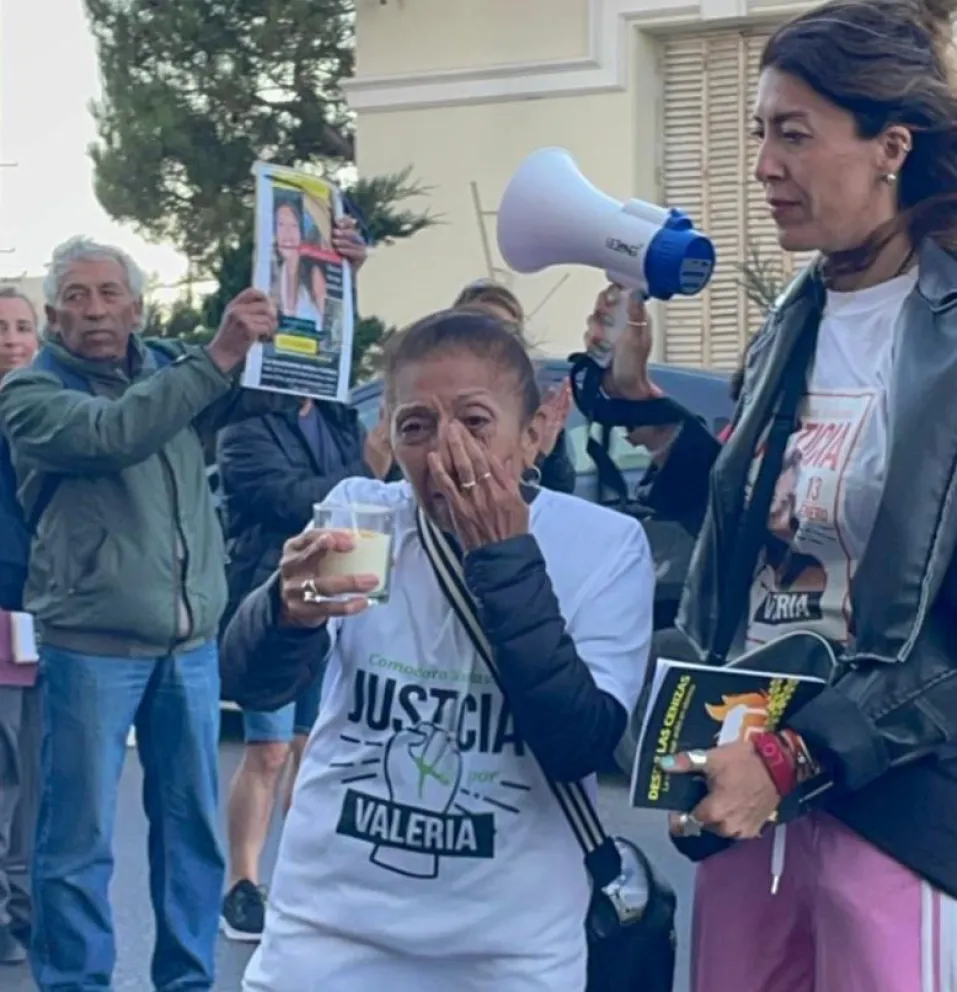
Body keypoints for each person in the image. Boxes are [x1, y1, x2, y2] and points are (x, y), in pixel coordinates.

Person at [598, 1, 957, 988]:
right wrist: (644, 409)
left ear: (891, 147)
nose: (762, 165)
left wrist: (803, 756)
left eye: (793, 134)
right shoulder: (794, 317)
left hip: (898, 810)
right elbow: (771, 529)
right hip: (745, 791)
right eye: (759, 133)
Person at [219, 308, 654, 990]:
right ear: (388, 435)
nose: (445, 450)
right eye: (416, 426)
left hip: (509, 953)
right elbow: (257, 684)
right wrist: (282, 612)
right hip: (328, 933)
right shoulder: (364, 516)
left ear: (533, 434)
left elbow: (581, 744)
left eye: (474, 422)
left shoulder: (602, 545)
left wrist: (502, 554)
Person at [0, 236, 282, 992]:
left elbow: (275, 382)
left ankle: (188, 982)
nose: (94, 310)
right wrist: (216, 354)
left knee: (192, 837)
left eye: (108, 293)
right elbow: (114, 433)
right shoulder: (27, 393)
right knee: (78, 840)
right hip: (88, 646)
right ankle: (77, 984)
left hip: (190, 646)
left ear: (136, 306)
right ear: (55, 316)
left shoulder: (173, 368)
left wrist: (320, 281)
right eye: (76, 297)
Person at [217, 225, 393, 943]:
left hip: (335, 602)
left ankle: (301, 880)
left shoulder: (335, 413)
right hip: (273, 605)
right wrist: (368, 470)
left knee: (314, 752)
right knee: (265, 752)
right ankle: (242, 884)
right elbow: (294, 500)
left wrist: (347, 277)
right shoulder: (243, 427)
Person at [0, 288, 40, 966]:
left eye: (23, 327)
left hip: (56, 614)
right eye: (0, 328)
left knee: (40, 767)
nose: (11, 339)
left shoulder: (57, 412)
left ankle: (26, 905)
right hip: (3, 610)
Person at [452, 280, 576, 493]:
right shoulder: (434, 399)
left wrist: (539, 457)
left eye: (510, 331)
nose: (498, 340)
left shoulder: (532, 410)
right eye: (483, 326)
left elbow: (559, 493)